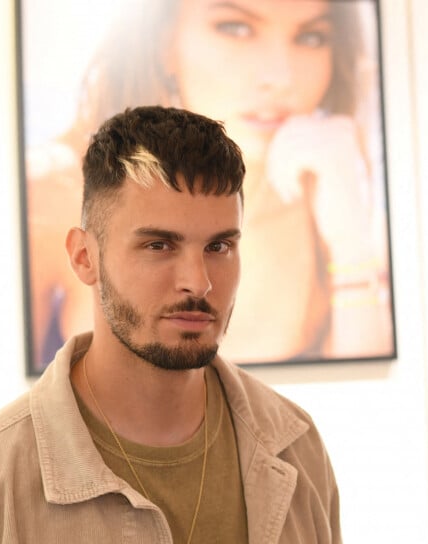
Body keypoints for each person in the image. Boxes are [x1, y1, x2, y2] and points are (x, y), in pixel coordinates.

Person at [0, 106, 344, 544]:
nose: (198, 282)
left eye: (219, 247)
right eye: (159, 246)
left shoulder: (295, 450)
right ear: (84, 257)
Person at [26, 0, 395, 371]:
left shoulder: (331, 180)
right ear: (164, 41)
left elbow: (367, 392)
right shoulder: (56, 192)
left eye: (311, 36)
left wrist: (351, 246)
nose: (281, 77)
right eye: (235, 28)